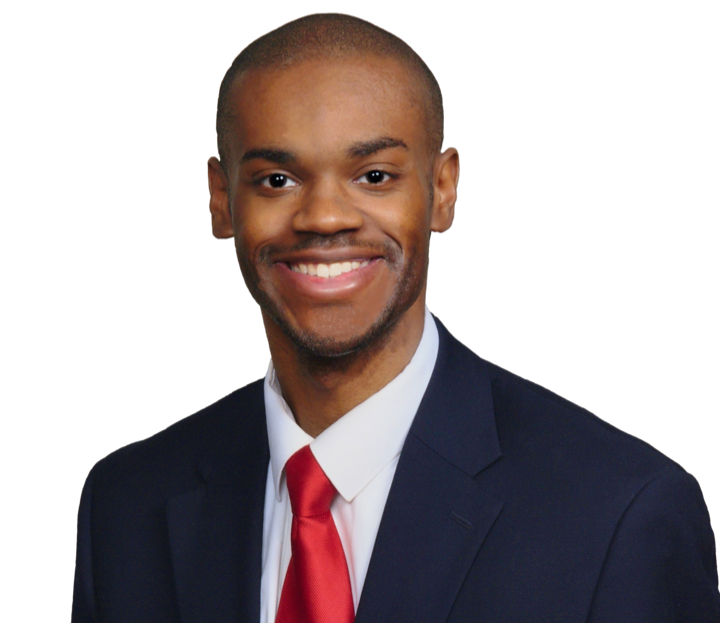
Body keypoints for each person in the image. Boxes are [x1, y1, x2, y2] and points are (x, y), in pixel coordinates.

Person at [71, 12, 719, 622]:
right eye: (277, 180)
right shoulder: (125, 504)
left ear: (442, 189)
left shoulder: (619, 514)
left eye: (375, 175)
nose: (325, 217)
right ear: (221, 199)